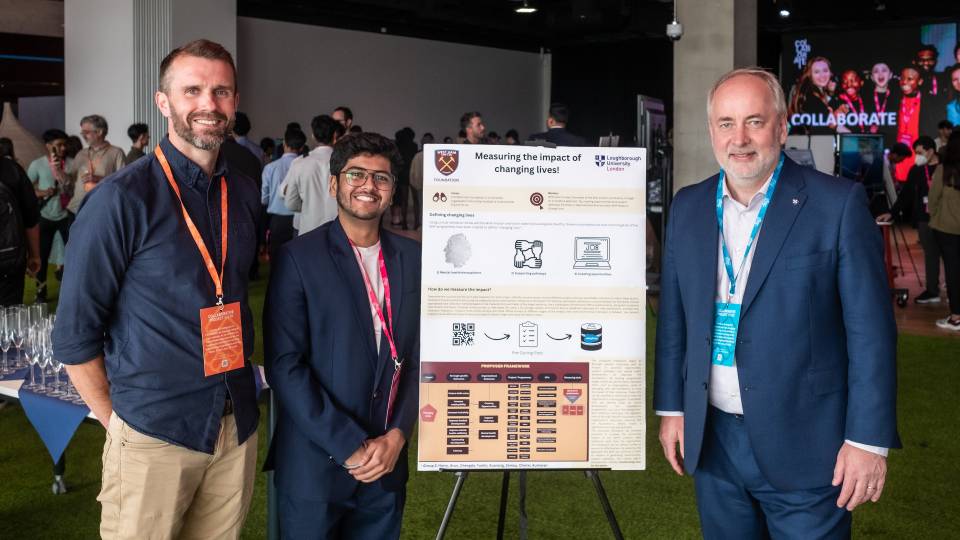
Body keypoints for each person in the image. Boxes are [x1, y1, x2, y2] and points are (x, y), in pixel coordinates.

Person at [655, 67, 899, 538]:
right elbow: (674, 323)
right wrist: (672, 410)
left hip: (809, 445)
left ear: (782, 127)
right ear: (711, 132)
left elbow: (870, 334)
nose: (739, 138)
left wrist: (868, 440)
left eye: (755, 121)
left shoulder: (837, 205)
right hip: (714, 444)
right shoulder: (687, 206)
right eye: (726, 123)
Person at [53, 39, 261, 539]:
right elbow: (75, 335)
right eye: (192, 90)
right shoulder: (120, 201)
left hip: (236, 425)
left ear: (234, 102)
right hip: (153, 430)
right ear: (163, 102)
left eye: (221, 91)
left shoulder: (246, 187)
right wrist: (122, 428)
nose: (208, 104)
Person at [264, 132, 421, 539]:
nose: (369, 186)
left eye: (381, 178)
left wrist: (399, 434)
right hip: (315, 464)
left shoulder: (413, 259)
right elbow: (285, 365)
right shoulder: (298, 258)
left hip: (386, 465)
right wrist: (349, 445)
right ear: (334, 184)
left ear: (392, 191)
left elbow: (420, 357)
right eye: (356, 174)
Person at [878, 136, 943, 304]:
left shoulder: (945, 167)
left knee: (952, 256)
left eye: (920, 152)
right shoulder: (916, 170)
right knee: (930, 255)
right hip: (925, 218)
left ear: (931, 151)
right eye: (916, 153)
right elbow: (905, 195)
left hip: (945, 217)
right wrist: (892, 213)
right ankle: (932, 290)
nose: (917, 156)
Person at [27, 129, 71, 302]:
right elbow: (28, 189)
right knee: (42, 257)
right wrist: (43, 191)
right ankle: (40, 293)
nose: (62, 148)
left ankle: (68, 292)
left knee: (72, 256)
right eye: (58, 145)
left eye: (64, 145)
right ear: (48, 146)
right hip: (45, 216)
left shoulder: (71, 163)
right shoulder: (37, 164)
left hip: (66, 216)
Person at [282, 114, 345, 235]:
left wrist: (308, 207)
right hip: (338, 228)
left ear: (313, 136)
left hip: (308, 228)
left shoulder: (299, 163)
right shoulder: (345, 162)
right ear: (335, 135)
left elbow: (290, 203)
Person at [928, 130, 960, 331]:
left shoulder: (944, 169)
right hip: (948, 228)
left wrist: (936, 214)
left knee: (953, 271)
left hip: (946, 228)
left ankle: (956, 317)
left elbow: (933, 199)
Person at [65, 114, 126, 217]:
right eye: (82, 132)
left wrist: (101, 179)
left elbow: (124, 181)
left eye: (86, 132)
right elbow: (70, 182)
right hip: (76, 209)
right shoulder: (81, 154)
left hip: (101, 210)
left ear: (99, 132)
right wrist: (57, 171)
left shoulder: (116, 153)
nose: (83, 136)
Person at [0, 148, 40, 306]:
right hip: (9, 259)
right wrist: (34, 255)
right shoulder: (11, 169)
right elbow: (31, 218)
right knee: (9, 317)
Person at [262, 128, 305, 262]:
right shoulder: (305, 166)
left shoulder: (270, 167)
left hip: (277, 220)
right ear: (302, 147)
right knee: (297, 260)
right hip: (299, 218)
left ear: (284, 144)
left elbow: (264, 198)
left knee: (276, 260)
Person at [788, 56, 839, 131]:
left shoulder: (820, 93)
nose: (822, 75)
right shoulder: (810, 97)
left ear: (830, 73)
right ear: (810, 75)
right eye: (817, 72)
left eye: (825, 70)